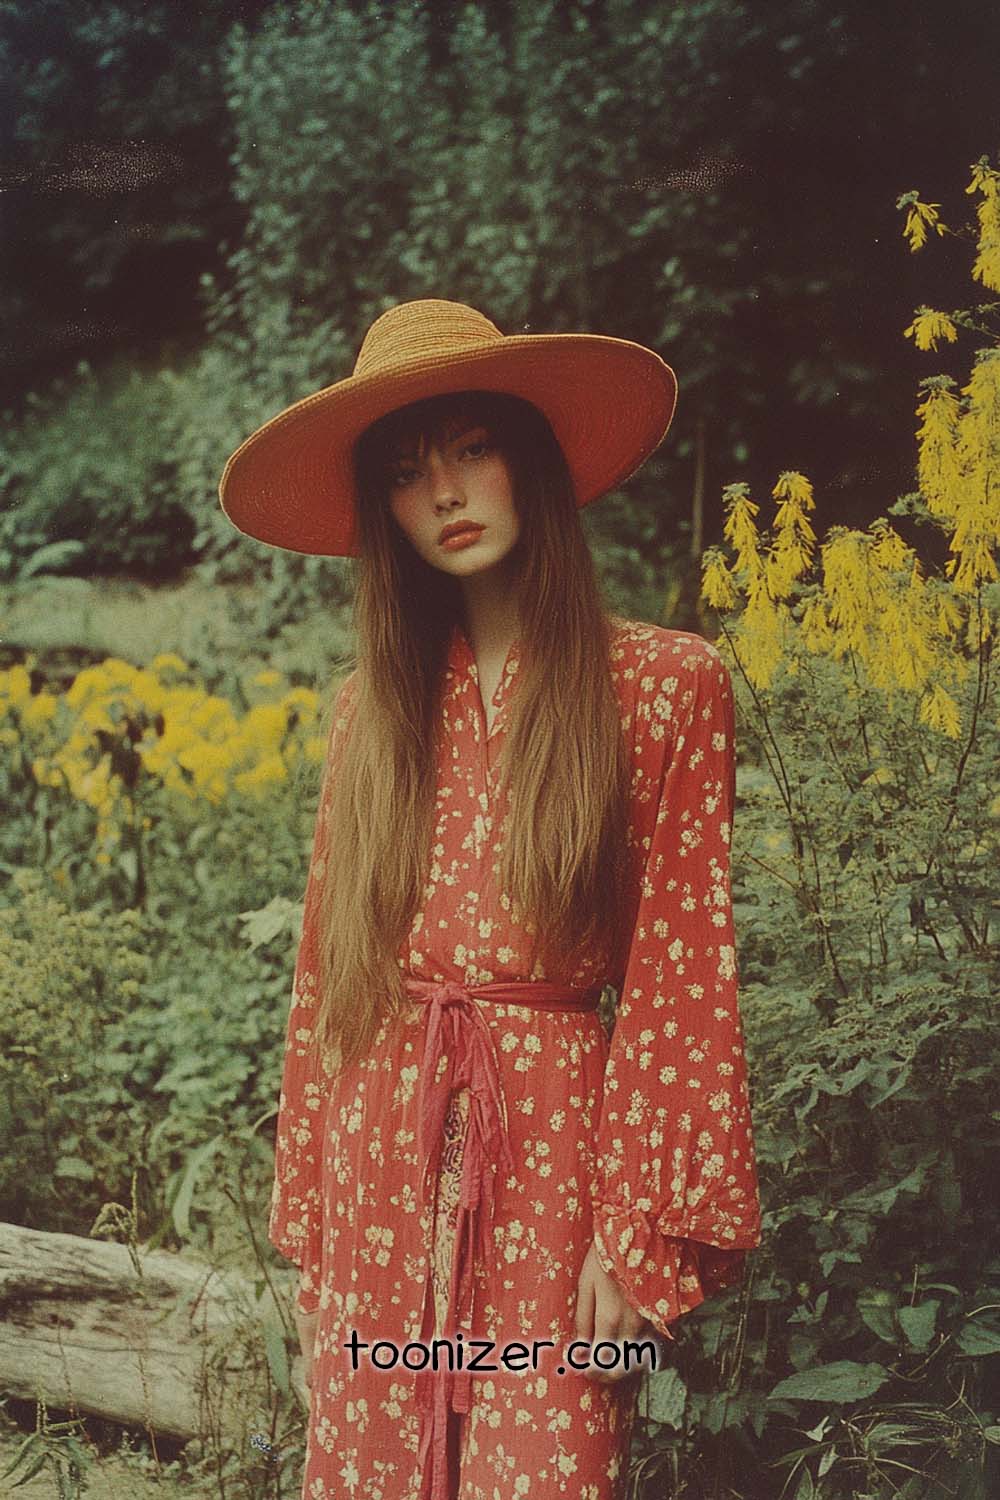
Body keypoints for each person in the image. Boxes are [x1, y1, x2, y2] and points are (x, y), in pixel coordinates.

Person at [218, 299, 762, 1500]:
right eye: (410, 474)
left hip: (557, 1167)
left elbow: (681, 978)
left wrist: (635, 1235)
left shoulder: (665, 688)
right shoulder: (370, 709)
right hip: (378, 1155)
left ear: (531, 458)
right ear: (384, 510)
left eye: (472, 449)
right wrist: (310, 1243)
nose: (447, 493)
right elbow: (328, 980)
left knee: (547, 1474)